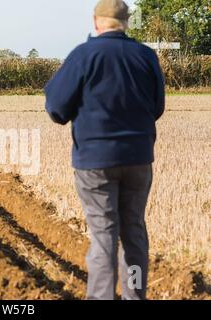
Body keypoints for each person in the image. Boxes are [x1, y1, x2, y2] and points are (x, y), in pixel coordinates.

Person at [44, 0, 165, 300]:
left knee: (104, 236)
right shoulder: (145, 56)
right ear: (126, 22)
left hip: (95, 163)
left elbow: (57, 109)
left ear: (96, 21)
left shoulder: (84, 55)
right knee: (133, 233)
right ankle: (135, 295)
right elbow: (157, 107)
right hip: (138, 159)